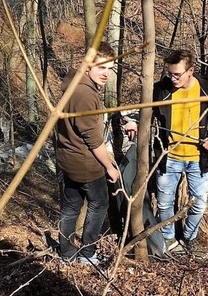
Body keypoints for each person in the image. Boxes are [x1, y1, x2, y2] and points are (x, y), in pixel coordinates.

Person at [125, 49, 208, 257]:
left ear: (191, 71)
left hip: (200, 160)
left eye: (177, 74)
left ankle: (190, 238)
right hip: (168, 158)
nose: (173, 78)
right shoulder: (161, 90)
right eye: (170, 73)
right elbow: (146, 110)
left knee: (199, 204)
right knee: (164, 203)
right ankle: (169, 240)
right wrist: (134, 122)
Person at [55, 42, 121, 265]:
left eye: (110, 68)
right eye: (101, 67)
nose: (106, 73)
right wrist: (109, 167)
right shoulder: (84, 93)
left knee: (72, 205)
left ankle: (65, 252)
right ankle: (87, 253)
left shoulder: (75, 84)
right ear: (87, 65)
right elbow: (92, 138)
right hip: (85, 162)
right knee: (99, 203)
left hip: (68, 157)